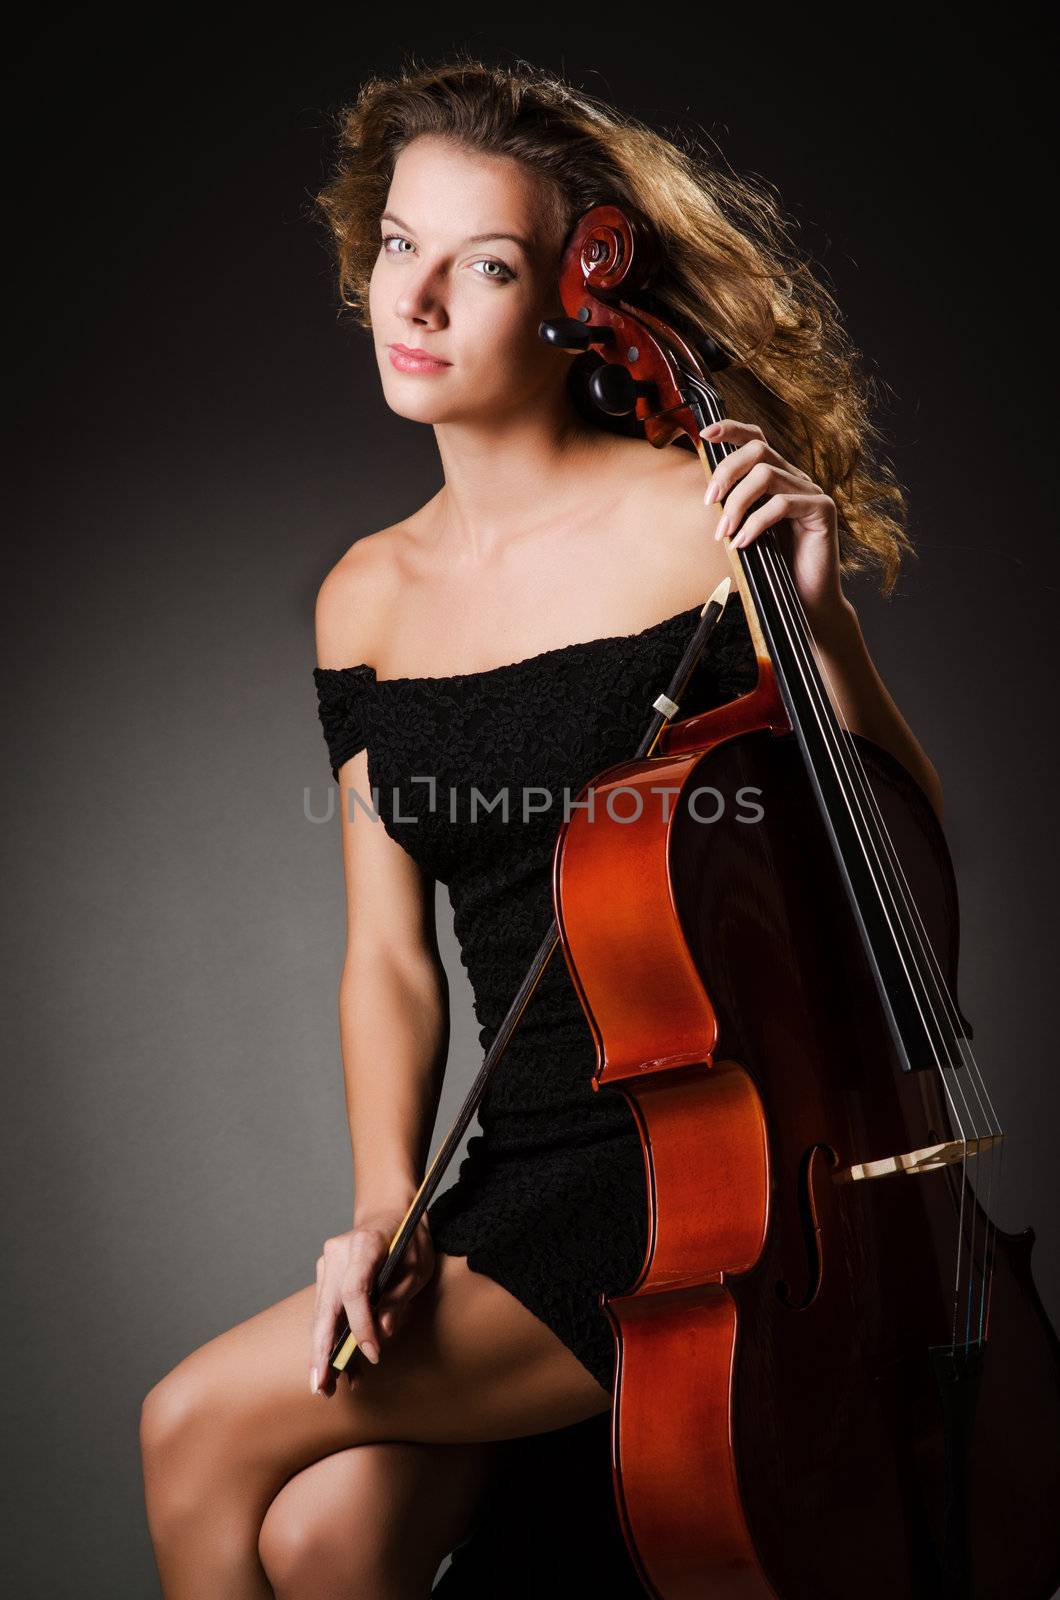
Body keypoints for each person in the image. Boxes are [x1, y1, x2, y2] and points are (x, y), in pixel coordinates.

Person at [139, 56, 944, 1598]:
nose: (418, 300)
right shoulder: (364, 596)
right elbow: (389, 959)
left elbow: (896, 852)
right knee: (324, 1540)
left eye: (485, 265)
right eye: (398, 246)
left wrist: (823, 632)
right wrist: (386, 1200)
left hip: (702, 1178)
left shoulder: (695, 521)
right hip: (509, 1172)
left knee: (190, 1428)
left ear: (577, 297)